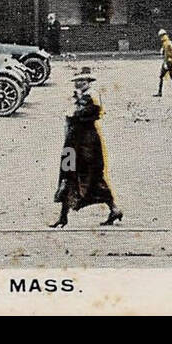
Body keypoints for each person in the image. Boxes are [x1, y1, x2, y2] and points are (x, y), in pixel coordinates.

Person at [51, 68, 123, 227]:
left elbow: (89, 114)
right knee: (67, 174)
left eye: (82, 81)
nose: (78, 83)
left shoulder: (92, 97)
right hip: (72, 143)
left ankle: (113, 208)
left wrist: (76, 112)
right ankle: (63, 216)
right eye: (77, 80)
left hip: (85, 144)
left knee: (88, 177)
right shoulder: (80, 97)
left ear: (88, 82)